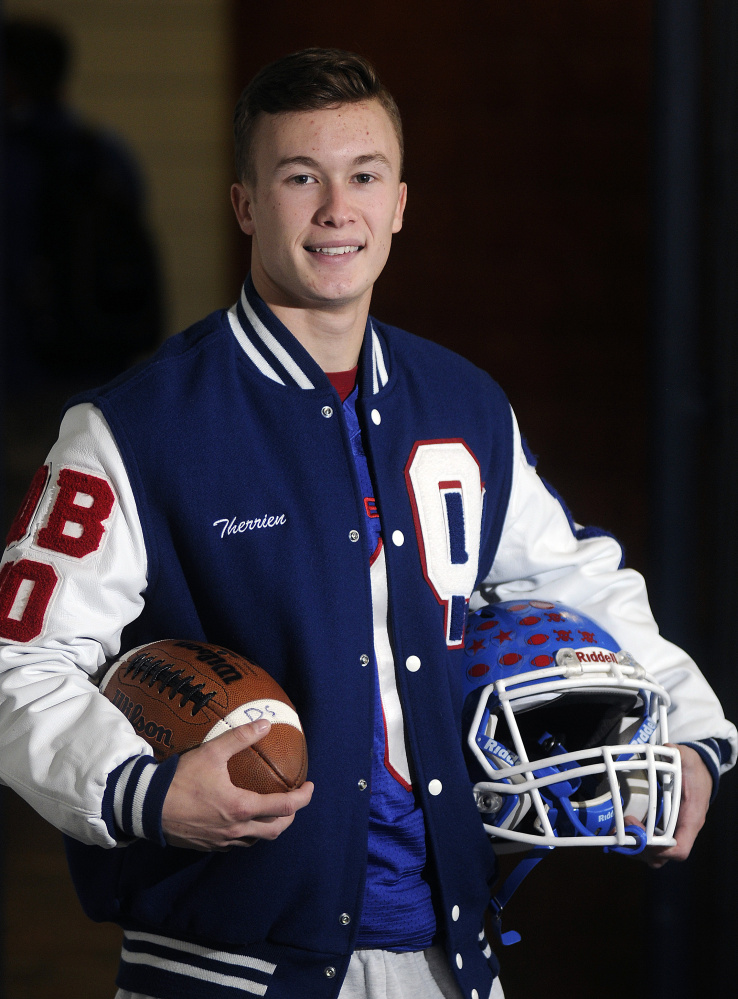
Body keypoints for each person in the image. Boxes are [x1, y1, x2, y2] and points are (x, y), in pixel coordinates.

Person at [0, 48, 734, 999]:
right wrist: (143, 788)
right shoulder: (135, 429)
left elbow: (576, 581)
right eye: (300, 176)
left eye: (364, 176)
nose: (336, 208)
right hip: (230, 969)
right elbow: (19, 658)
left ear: (398, 205)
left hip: (452, 957)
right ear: (246, 205)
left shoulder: (463, 405)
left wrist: (690, 731)